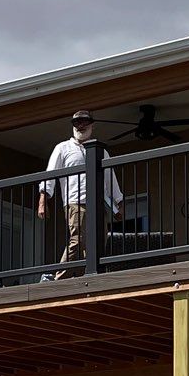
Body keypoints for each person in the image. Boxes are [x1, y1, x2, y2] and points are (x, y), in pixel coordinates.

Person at [37, 110, 123, 276]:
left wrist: (118, 203)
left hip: (99, 203)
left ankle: (90, 276)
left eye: (84, 121)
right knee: (78, 240)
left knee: (98, 242)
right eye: (77, 123)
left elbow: (109, 178)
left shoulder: (101, 151)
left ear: (92, 125)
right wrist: (43, 201)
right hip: (75, 202)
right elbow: (50, 174)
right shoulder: (63, 148)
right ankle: (60, 278)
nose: (80, 125)